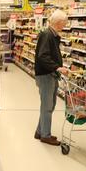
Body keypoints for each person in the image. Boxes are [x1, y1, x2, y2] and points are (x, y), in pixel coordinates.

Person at [34, 9, 70, 145]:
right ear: (59, 22)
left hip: (50, 74)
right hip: (45, 75)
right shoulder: (47, 35)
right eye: (64, 23)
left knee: (49, 105)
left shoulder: (52, 35)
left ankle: (39, 132)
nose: (65, 25)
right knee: (48, 106)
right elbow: (42, 56)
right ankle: (45, 135)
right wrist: (56, 67)